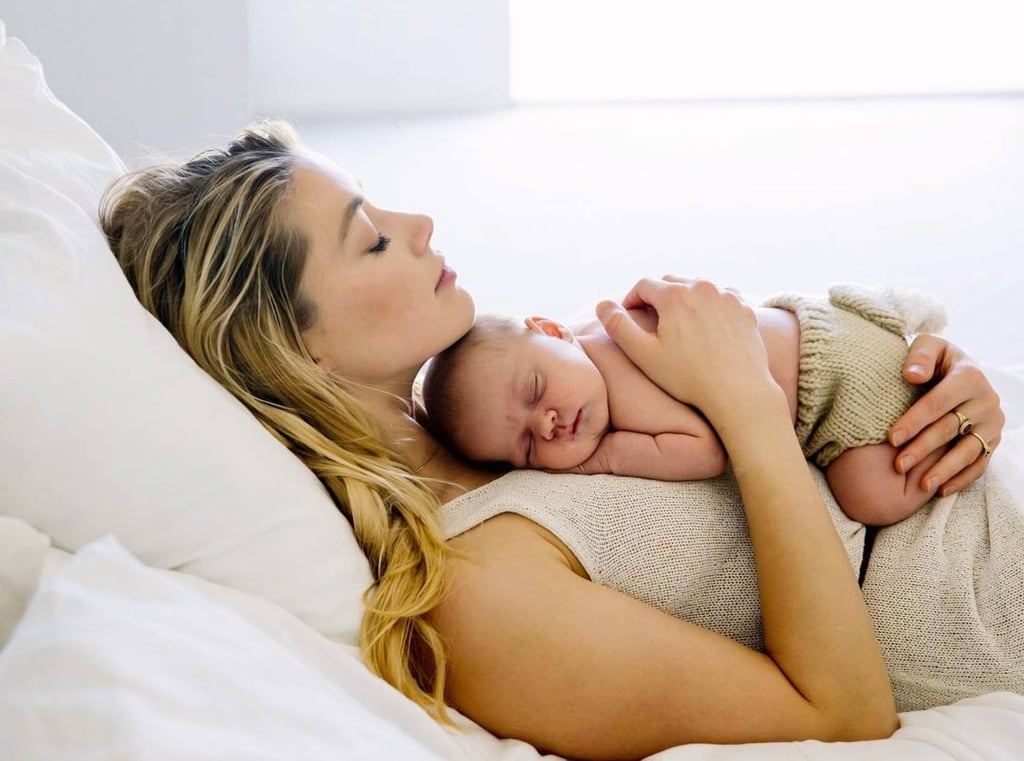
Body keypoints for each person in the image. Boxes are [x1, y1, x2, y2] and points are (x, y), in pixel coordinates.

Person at [100, 121, 1013, 761]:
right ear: (301, 349)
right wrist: (744, 406)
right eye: (372, 239)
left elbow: (801, 376)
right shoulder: (475, 590)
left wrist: (929, 378)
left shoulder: (519, 400)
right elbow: (843, 714)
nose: (419, 227)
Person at [421, 285, 951, 526]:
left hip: (836, 382)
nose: (549, 424)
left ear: (553, 330)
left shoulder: (618, 370)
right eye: (527, 444)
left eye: (535, 392)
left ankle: (945, 463)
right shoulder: (596, 327)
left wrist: (606, 457)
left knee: (869, 498)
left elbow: (703, 452)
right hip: (818, 323)